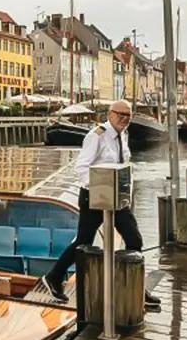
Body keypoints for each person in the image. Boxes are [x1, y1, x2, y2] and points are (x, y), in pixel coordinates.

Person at [44, 99, 160, 309]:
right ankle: (54, 277)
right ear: (109, 113)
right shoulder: (96, 135)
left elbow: (123, 165)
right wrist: (100, 186)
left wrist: (124, 190)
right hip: (94, 196)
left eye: (128, 116)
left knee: (134, 240)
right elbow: (81, 167)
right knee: (84, 241)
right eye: (120, 114)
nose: (124, 119)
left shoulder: (123, 135)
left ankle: (136, 288)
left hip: (117, 197)